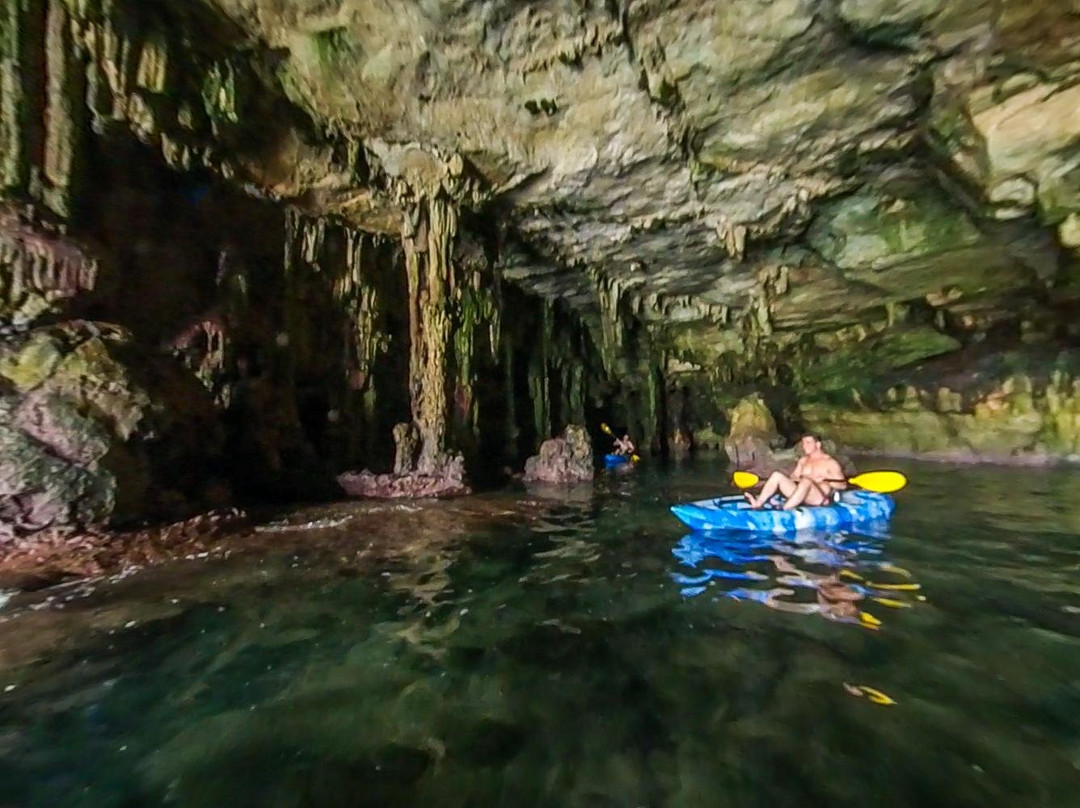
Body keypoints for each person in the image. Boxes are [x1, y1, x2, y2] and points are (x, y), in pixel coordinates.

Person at [743, 433, 846, 510]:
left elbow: (843, 485)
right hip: (800, 494)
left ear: (818, 444)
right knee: (776, 475)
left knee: (806, 481)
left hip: (817, 498)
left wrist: (825, 480)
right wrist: (795, 478)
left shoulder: (830, 463)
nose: (805, 446)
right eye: (803, 443)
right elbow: (794, 477)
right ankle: (758, 503)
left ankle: (785, 508)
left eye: (808, 443)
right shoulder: (803, 460)